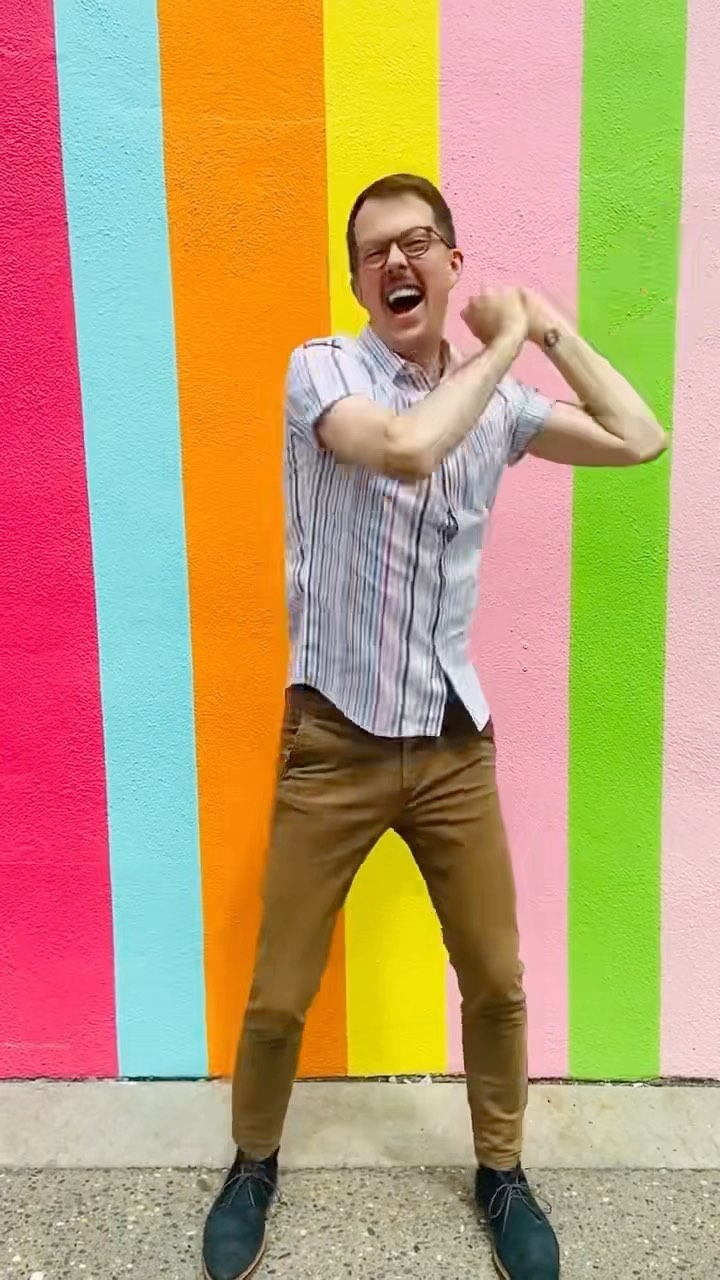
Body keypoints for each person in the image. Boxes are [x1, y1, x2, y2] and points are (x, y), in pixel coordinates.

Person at [202, 173, 666, 1280]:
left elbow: (640, 436)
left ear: (454, 264)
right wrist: (503, 349)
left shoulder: (495, 400)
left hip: (455, 744)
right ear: (360, 281)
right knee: (279, 991)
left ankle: (501, 1171)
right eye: (376, 252)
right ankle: (253, 1163)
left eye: (419, 243)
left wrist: (546, 328)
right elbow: (408, 447)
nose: (397, 262)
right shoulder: (322, 371)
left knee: (497, 979)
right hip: (335, 742)